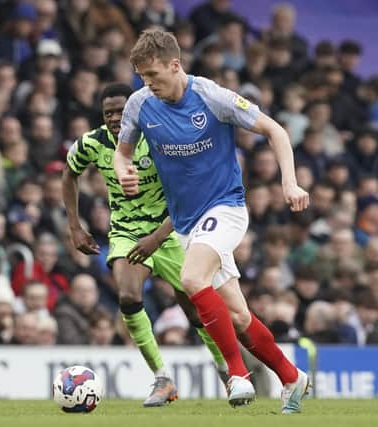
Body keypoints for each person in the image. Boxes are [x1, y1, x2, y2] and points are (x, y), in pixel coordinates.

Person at [113, 29, 310, 413]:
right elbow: (123, 154)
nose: (147, 84)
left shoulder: (211, 96)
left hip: (225, 209)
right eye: (141, 76)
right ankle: (292, 378)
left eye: (153, 75)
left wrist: (290, 182)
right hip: (186, 225)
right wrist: (124, 170)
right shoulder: (139, 105)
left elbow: (275, 129)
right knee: (237, 316)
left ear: (175, 64)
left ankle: (237, 375)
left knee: (191, 279)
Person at [63, 83, 228, 407]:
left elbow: (187, 193)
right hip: (125, 231)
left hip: (172, 228)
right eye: (107, 112)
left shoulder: (160, 137)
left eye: (120, 110)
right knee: (127, 295)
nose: (113, 117)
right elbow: (70, 175)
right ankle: (162, 378)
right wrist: (74, 226)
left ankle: (226, 369)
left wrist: (156, 238)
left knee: (195, 309)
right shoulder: (92, 143)